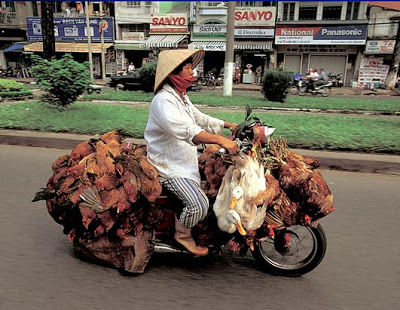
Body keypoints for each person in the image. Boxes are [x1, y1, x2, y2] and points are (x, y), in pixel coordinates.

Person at [144, 49, 238, 256]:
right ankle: (182, 235)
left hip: (185, 160)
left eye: (190, 66)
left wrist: (228, 125)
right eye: (187, 67)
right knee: (199, 204)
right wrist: (220, 140)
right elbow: (188, 131)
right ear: (173, 74)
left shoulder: (181, 97)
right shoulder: (163, 101)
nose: (191, 71)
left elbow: (200, 118)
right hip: (169, 166)